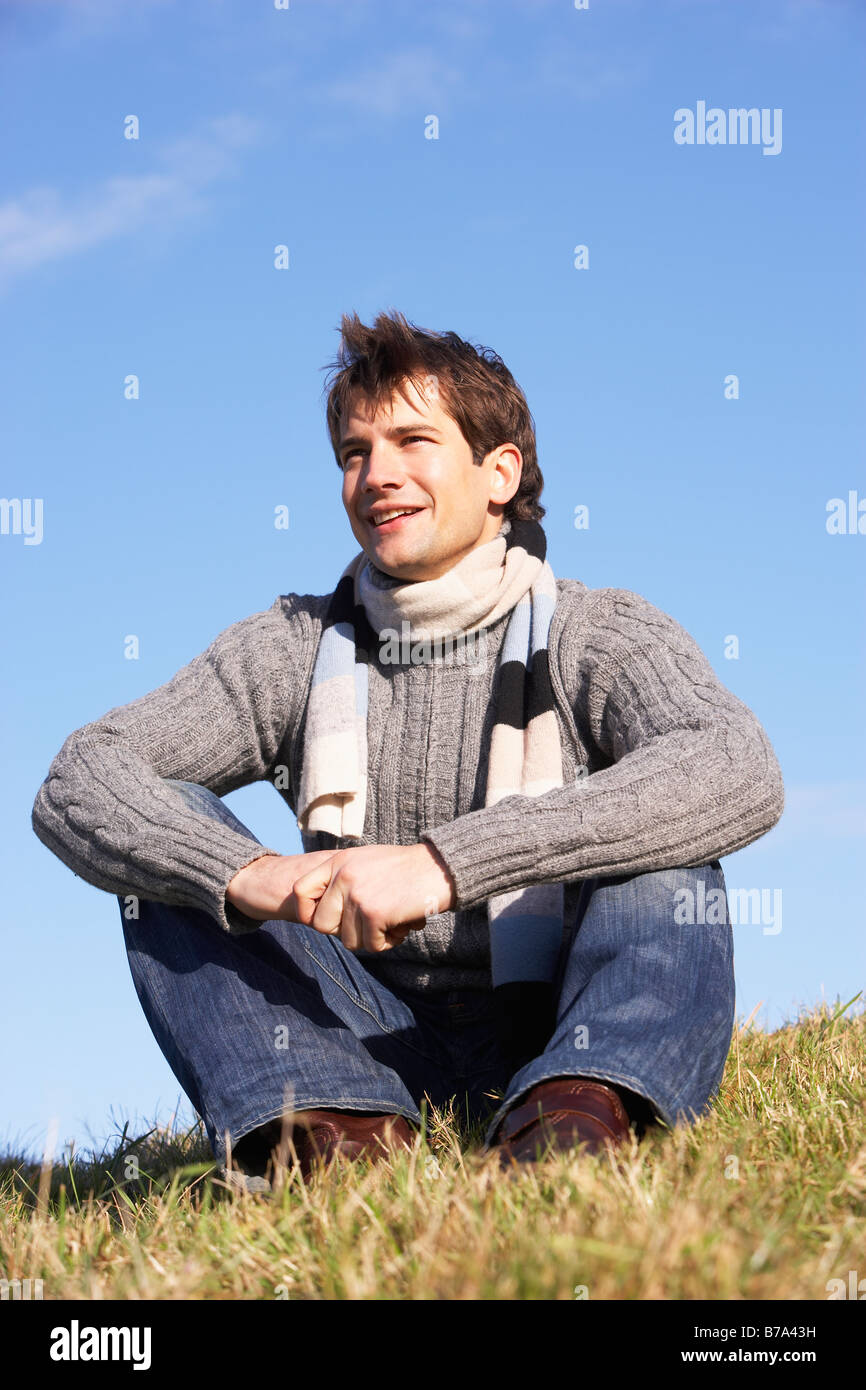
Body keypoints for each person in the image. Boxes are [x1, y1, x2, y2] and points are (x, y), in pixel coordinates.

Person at [31, 308, 785, 1184]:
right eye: (355, 454)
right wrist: (247, 876)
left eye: (412, 441)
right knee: (166, 862)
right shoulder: (290, 645)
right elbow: (80, 777)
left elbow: (737, 764)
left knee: (669, 853)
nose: (377, 475)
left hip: (557, 1017)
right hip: (363, 1029)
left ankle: (578, 1119)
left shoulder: (598, 630)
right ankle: (337, 1134)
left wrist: (445, 864)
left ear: (498, 471)